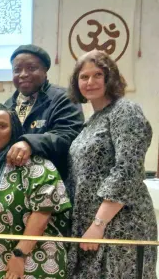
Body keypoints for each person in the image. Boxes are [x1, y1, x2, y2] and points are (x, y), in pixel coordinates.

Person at [66, 50, 157, 278]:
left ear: (111, 78)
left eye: (98, 74)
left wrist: (99, 223)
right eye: (84, 77)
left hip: (120, 225)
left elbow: (127, 170)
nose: (90, 82)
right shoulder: (92, 121)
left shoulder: (125, 110)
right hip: (91, 226)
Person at [0, 104, 71, 278]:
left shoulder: (35, 165)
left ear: (14, 130)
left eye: (2, 126)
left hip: (32, 259)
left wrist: (19, 255)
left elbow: (42, 213)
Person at [4, 44, 84, 180]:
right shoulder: (7, 106)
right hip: (12, 184)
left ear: (45, 70)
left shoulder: (64, 98)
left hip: (51, 184)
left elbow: (68, 135)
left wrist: (29, 143)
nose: (23, 74)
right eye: (17, 70)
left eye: (31, 68)